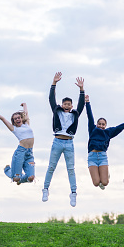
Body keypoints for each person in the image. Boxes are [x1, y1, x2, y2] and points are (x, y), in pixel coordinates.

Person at [42, 72, 85, 207]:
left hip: (69, 143)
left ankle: (73, 193)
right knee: (51, 167)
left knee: (71, 169)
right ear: (62, 104)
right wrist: (54, 83)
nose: (67, 106)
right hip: (57, 142)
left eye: (69, 104)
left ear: (72, 106)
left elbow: (82, 105)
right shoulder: (57, 111)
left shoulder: (75, 114)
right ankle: (45, 189)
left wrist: (81, 90)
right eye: (65, 104)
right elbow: (51, 99)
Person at [85, 95, 124, 189]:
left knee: (104, 183)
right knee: (96, 183)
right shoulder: (92, 129)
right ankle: (100, 173)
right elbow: (89, 116)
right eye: (99, 124)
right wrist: (87, 102)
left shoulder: (108, 132)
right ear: (96, 124)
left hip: (103, 157)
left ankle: (106, 174)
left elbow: (120, 127)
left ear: (106, 125)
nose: (101, 126)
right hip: (92, 157)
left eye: (103, 124)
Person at [0, 103, 35, 185]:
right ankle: (7, 170)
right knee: (15, 178)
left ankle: (20, 181)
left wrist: (25, 105)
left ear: (21, 118)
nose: (17, 119)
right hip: (20, 153)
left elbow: (26, 113)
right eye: (15, 119)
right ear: (13, 121)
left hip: (29, 153)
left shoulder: (26, 124)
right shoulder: (14, 128)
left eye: (18, 118)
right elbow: (3, 119)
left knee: (31, 178)